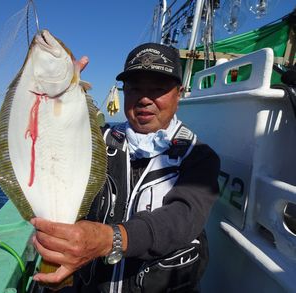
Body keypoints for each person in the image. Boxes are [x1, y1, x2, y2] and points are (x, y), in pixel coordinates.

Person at [31, 43, 220, 292]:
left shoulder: (199, 156)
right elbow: (49, 146)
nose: (144, 99)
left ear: (179, 93)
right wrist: (56, 94)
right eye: (134, 89)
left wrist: (110, 239)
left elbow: (183, 218)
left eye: (158, 89)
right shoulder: (95, 141)